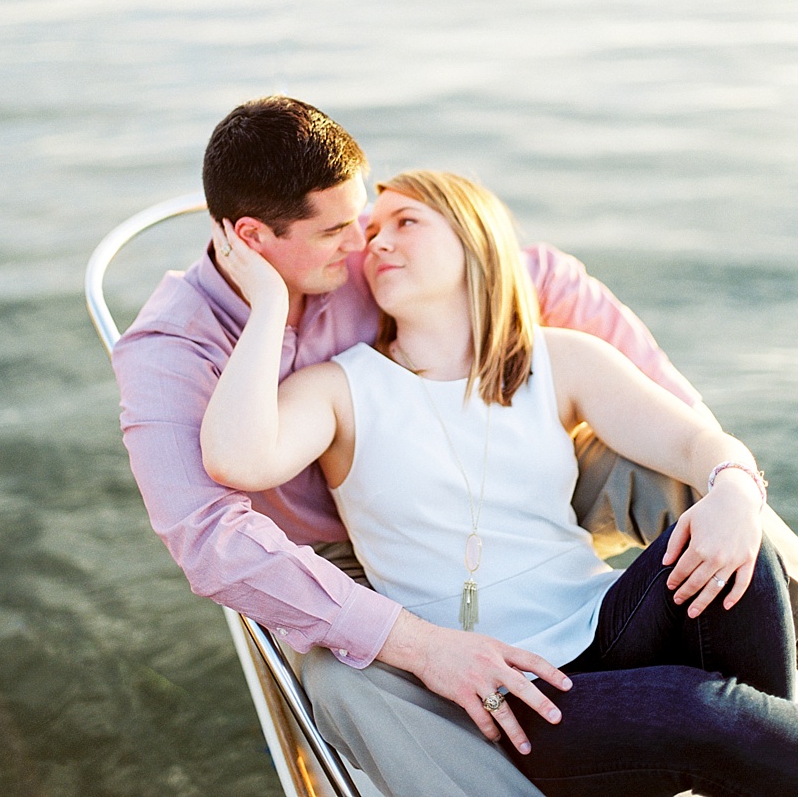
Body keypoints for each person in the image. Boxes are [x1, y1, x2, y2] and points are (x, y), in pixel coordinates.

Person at [113, 96, 797, 797]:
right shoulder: (244, 364)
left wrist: (736, 483)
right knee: (702, 710)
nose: (364, 244)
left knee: (741, 546)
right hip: (402, 609)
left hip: (585, 601)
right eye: (347, 229)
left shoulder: (534, 347)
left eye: (385, 220)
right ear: (254, 240)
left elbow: (541, 279)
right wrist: (269, 309)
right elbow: (218, 514)